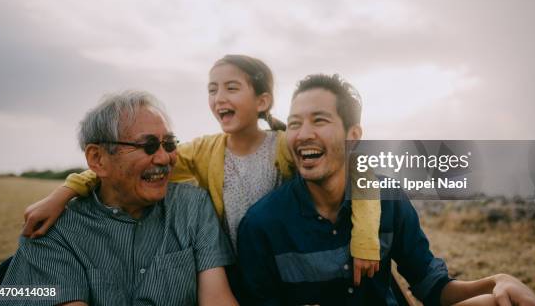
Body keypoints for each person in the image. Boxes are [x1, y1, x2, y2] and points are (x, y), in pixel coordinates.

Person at [21, 55, 381, 288]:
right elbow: (130, 166)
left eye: (231, 87)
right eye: (212, 89)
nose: (219, 97)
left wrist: (365, 239)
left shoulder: (285, 143)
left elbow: (360, 167)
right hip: (226, 273)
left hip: (281, 269)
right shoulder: (203, 150)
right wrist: (64, 192)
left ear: (262, 101)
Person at [237, 74, 535, 306]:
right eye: (294, 124)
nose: (303, 134)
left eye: (319, 120)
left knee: (505, 302)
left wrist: (496, 282)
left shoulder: (385, 198)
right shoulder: (262, 224)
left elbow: (432, 287)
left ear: (353, 136)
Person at [0, 91, 237, 306]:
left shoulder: (192, 206)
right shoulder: (51, 229)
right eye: (149, 145)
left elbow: (217, 299)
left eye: (169, 143)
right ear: (98, 159)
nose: (164, 158)